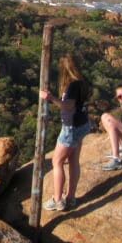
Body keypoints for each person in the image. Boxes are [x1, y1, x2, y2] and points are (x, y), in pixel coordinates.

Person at [39, 55, 90, 211]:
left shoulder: (73, 85)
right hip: (82, 123)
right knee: (73, 160)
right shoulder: (82, 82)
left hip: (71, 127)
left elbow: (68, 106)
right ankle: (71, 197)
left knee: (57, 162)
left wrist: (50, 98)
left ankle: (57, 200)